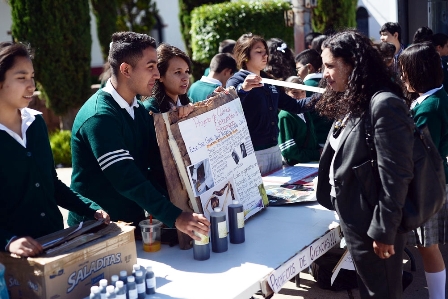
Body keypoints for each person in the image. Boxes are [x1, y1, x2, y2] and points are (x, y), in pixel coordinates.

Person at [68, 32, 209, 241]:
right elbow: (126, 178)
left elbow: (155, 165)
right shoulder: (100, 116)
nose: (157, 74)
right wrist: (175, 216)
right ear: (126, 69)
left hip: (129, 226)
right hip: (94, 232)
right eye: (150, 67)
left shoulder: (138, 110)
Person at [315, 30, 414, 298]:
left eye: (330, 65)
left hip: (374, 228)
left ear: (353, 64)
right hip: (357, 222)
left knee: (380, 292)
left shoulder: (384, 104)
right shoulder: (354, 99)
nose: (324, 73)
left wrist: (384, 231)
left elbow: (397, 174)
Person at [0, 41, 110, 257]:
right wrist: (9, 241)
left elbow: (51, 183)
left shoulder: (36, 124)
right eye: (21, 78)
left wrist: (90, 210)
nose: (31, 86)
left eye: (32, 77)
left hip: (54, 242)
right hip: (12, 261)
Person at [400, 42, 448, 299]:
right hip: (430, 182)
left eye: (405, 70)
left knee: (428, 246)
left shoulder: (429, 107)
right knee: (427, 246)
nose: (402, 76)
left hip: (426, 185)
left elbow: (421, 153)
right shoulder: (433, 98)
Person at [225, 33, 311, 175]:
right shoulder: (235, 81)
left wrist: (324, 98)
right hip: (253, 153)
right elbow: (227, 108)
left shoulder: (269, 80)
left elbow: (294, 106)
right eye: (259, 52)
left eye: (265, 52)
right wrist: (242, 90)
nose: (265, 56)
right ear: (245, 55)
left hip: (275, 150)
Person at [278, 76, 320, 164]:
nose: (300, 96)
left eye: (303, 91)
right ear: (286, 94)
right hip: (296, 166)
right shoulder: (285, 115)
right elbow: (289, 151)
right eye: (294, 92)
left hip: (311, 162)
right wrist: (316, 154)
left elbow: (312, 138)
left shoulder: (305, 111)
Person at [143, 43, 193, 114]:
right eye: (178, 72)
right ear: (160, 76)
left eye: (186, 71)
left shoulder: (188, 104)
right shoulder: (150, 109)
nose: (185, 78)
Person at [295, 49, 331, 145]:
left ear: (309, 67)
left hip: (314, 144)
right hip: (332, 139)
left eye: (298, 69)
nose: (297, 73)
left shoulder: (302, 87)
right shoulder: (332, 84)